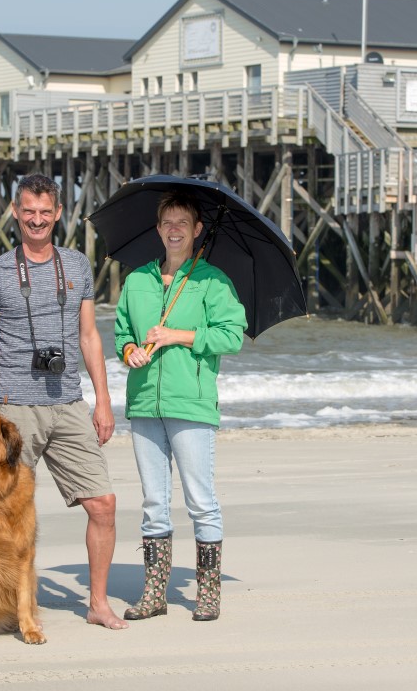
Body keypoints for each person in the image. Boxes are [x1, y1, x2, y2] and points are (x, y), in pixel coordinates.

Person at [0, 173, 126, 630]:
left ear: (58, 213)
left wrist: (102, 400)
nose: (36, 220)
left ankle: (97, 604)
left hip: (68, 404)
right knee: (2, 512)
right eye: (28, 212)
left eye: (45, 212)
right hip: (14, 408)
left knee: (103, 504)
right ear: (15, 213)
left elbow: (89, 336)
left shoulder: (77, 265)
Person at [114, 191, 247, 622]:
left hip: (190, 402)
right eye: (167, 222)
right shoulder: (137, 281)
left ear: (196, 231)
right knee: (154, 501)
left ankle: (207, 594)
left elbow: (232, 336)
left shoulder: (211, 281)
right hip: (143, 403)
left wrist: (179, 336)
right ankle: (155, 594)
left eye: (182, 223)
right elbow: (120, 334)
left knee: (200, 499)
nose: (174, 229)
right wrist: (131, 349)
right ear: (158, 229)